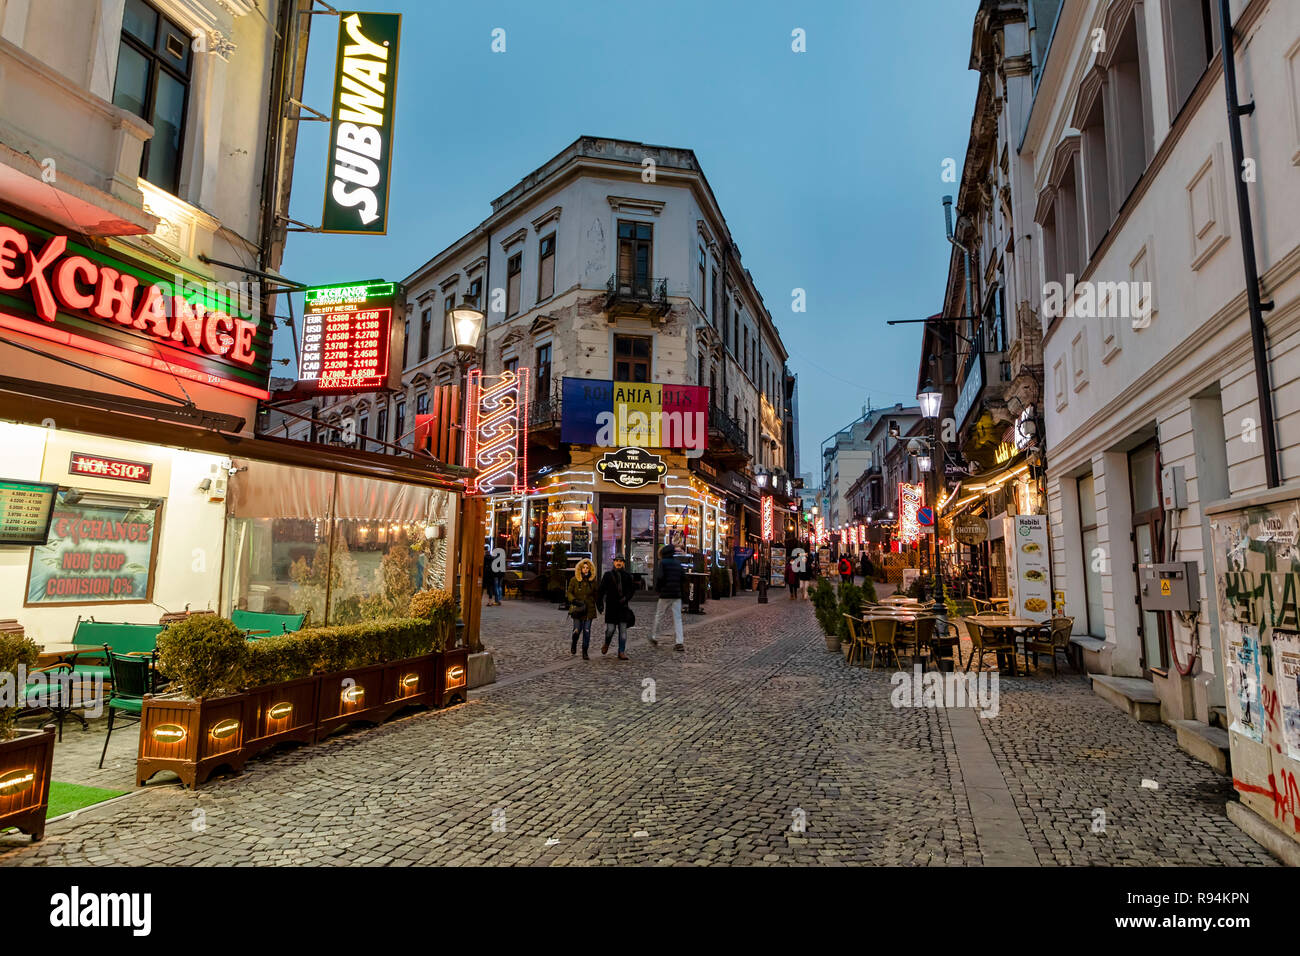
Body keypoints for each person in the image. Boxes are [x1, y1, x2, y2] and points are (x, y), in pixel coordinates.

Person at [597, 554, 638, 660]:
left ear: (623, 563)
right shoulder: (607, 575)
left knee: (623, 632)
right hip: (611, 607)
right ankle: (607, 643)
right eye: (617, 561)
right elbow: (601, 590)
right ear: (614, 562)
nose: (618, 562)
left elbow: (631, 591)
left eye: (621, 561)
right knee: (610, 630)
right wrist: (600, 604)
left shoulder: (628, 576)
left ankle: (621, 651)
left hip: (623, 607)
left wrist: (626, 598)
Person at [650, 544, 686, 651]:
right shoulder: (678, 563)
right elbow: (683, 578)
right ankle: (679, 642)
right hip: (676, 594)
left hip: (665, 594)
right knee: (677, 618)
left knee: (659, 615)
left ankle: (654, 636)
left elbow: (660, 577)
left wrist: (658, 589)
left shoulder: (663, 563)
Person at [566, 558, 599, 659]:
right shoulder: (574, 580)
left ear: (590, 569)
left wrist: (600, 605)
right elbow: (569, 592)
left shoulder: (592, 581)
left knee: (587, 631)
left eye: (587, 568)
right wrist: (574, 600)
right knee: (576, 630)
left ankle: (585, 651)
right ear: (580, 569)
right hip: (577, 609)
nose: (585, 569)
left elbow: (596, 594)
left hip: (589, 610)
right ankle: (574, 643)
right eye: (583, 567)